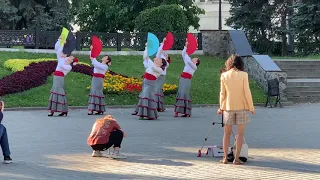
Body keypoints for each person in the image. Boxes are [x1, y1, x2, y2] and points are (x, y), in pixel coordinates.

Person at [217, 54, 255, 165]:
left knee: (226, 133)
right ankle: (236, 159)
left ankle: (225, 158)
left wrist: (220, 107)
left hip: (228, 108)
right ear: (240, 63)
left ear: (229, 63)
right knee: (240, 134)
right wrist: (251, 107)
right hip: (242, 107)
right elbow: (247, 92)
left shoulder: (224, 75)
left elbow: (222, 93)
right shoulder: (244, 75)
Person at [131, 43, 167, 120]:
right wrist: (147, 47)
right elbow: (145, 57)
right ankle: (144, 113)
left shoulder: (159, 69)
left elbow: (152, 66)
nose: (157, 58)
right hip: (146, 82)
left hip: (151, 84)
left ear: (161, 63)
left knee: (146, 97)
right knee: (145, 97)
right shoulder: (151, 65)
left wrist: (149, 59)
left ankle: (144, 114)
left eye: (159, 59)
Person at [48, 37, 78, 117]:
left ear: (72, 61)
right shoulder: (63, 59)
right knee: (56, 92)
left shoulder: (69, 67)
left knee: (57, 92)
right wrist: (61, 41)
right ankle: (61, 110)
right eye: (70, 56)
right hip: (56, 77)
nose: (69, 57)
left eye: (71, 57)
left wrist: (61, 56)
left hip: (60, 78)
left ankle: (54, 110)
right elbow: (57, 49)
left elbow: (61, 64)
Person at [174, 40, 200, 117]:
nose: (193, 58)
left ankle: (186, 111)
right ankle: (178, 111)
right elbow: (183, 55)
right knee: (180, 92)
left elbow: (188, 60)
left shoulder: (194, 67)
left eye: (195, 59)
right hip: (182, 79)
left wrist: (187, 53)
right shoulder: (189, 63)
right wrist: (185, 46)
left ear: (196, 62)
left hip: (187, 80)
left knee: (184, 93)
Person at [88, 46, 111, 115]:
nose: (103, 57)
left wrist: (93, 57)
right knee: (94, 92)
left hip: (99, 80)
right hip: (94, 79)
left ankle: (92, 109)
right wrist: (91, 50)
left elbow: (94, 63)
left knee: (96, 92)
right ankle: (97, 109)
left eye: (105, 57)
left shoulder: (105, 66)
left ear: (107, 61)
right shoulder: (99, 63)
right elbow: (92, 58)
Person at [154, 38, 171, 112]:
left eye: (167, 55)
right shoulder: (160, 57)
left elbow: (160, 53)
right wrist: (163, 43)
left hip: (161, 76)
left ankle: (159, 106)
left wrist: (165, 56)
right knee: (157, 90)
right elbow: (159, 52)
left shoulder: (166, 63)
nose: (166, 54)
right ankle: (158, 106)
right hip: (156, 76)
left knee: (158, 89)